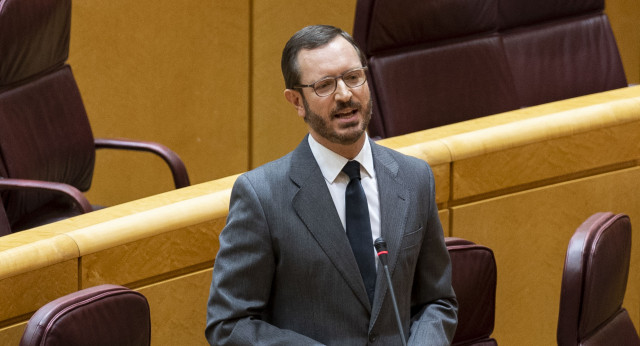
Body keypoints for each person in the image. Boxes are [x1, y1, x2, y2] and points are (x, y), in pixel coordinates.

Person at [205, 24, 457, 345]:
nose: (345, 94)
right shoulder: (262, 197)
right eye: (325, 85)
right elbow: (229, 324)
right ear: (297, 101)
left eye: (353, 77)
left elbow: (437, 301)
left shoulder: (414, 177)